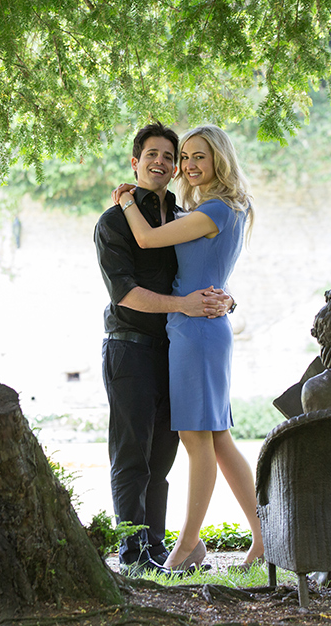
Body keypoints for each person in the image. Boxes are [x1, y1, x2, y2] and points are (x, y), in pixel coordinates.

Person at [112, 125, 263, 571]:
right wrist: (228, 296)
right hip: (198, 328)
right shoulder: (218, 208)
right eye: (187, 158)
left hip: (196, 332)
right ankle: (264, 537)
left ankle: (187, 546)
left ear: (220, 159)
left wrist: (124, 201)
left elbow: (146, 239)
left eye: (200, 156)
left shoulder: (214, 209)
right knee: (218, 440)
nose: (190, 165)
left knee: (197, 440)